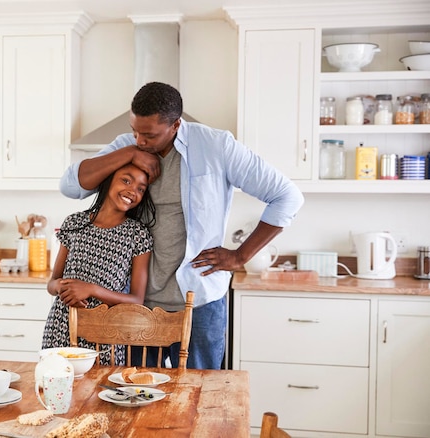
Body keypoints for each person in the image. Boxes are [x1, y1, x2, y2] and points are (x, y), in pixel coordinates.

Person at [59, 82, 304, 370]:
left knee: (199, 400)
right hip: (136, 303)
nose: (140, 140)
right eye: (135, 130)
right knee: (133, 396)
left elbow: (287, 197)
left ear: (176, 124)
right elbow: (70, 186)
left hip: (199, 302)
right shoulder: (129, 146)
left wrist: (240, 256)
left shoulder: (216, 146)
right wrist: (128, 154)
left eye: (149, 135)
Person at [42, 162, 155, 366]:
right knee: (59, 391)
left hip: (106, 334)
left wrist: (90, 289)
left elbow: (137, 300)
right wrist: (63, 288)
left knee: (103, 393)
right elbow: (52, 284)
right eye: (126, 180)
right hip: (62, 326)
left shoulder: (137, 234)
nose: (132, 190)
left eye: (141, 188)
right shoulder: (73, 224)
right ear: (108, 180)